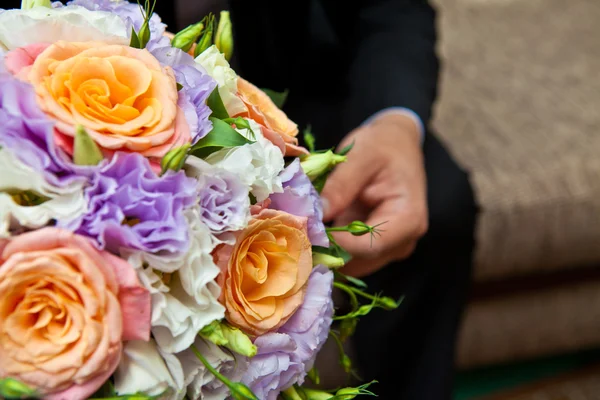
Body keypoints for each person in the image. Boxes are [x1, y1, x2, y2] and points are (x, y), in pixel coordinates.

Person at [4, 1, 478, 398]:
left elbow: (390, 7)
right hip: (57, 93)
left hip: (287, 78)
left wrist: (394, 121)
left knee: (441, 198)